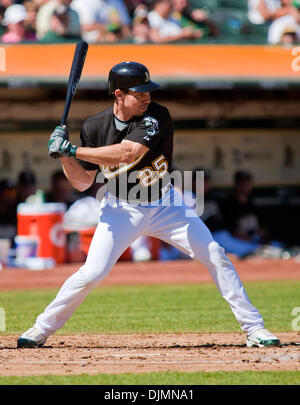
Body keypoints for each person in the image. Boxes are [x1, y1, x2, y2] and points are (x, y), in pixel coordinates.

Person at [17, 61, 280, 349]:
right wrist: (64, 156)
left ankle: (254, 328)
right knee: (92, 273)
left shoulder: (157, 116)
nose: (147, 98)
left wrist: (73, 149)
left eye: (147, 92)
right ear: (118, 94)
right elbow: (81, 183)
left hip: (166, 204)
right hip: (120, 208)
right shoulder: (95, 126)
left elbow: (128, 153)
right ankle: (40, 329)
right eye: (139, 93)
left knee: (215, 255)